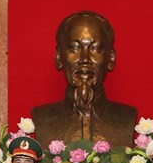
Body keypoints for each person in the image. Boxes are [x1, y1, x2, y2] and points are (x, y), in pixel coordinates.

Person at [32, 10, 137, 148]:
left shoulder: (126, 117)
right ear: (59, 57)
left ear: (111, 58)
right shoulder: (42, 118)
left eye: (95, 48)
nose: (85, 60)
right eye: (75, 48)